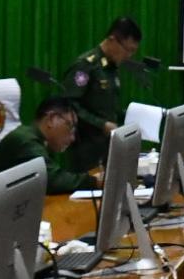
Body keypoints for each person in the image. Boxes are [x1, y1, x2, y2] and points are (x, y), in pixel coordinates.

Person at [60, 16, 142, 171]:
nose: (129, 56)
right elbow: (68, 105)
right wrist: (101, 124)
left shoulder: (111, 68)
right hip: (86, 146)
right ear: (112, 40)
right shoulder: (86, 66)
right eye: (128, 50)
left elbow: (107, 107)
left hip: (108, 145)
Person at [0, 96, 100, 194]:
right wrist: (95, 182)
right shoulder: (26, 140)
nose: (73, 138)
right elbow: (52, 180)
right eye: (70, 126)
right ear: (51, 119)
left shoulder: (36, 139)